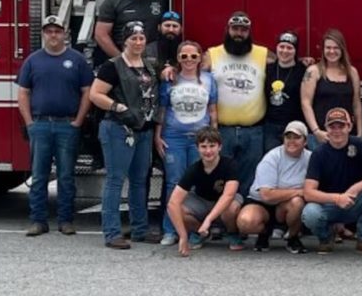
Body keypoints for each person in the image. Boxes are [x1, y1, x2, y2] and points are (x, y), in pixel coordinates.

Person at [17, 15, 94, 237]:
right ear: (43, 34)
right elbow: (23, 93)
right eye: (49, 31)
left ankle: (65, 220)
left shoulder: (77, 60)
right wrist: (29, 122)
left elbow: (87, 92)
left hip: (67, 126)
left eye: (57, 31)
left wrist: (78, 120)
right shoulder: (33, 60)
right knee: (39, 176)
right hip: (40, 125)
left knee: (66, 176)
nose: (53, 35)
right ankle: (38, 221)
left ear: (65, 34)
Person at [88, 21, 159, 249]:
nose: (138, 43)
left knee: (140, 181)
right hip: (118, 128)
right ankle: (112, 232)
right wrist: (119, 108)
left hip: (144, 130)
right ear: (124, 41)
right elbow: (95, 94)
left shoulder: (149, 65)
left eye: (141, 38)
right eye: (133, 39)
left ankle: (139, 229)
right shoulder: (113, 66)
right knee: (115, 180)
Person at [301, 108, 362, 258]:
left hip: (355, 201)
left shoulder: (360, 144)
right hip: (329, 204)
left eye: (341, 126)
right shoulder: (319, 153)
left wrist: (356, 188)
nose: (337, 131)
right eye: (332, 126)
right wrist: (337, 198)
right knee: (310, 213)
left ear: (349, 127)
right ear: (326, 128)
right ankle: (326, 237)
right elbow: (308, 192)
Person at [155, 40, 218, 246]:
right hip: (174, 137)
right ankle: (170, 230)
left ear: (200, 58)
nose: (189, 60)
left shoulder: (209, 79)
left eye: (193, 56)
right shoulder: (170, 79)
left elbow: (212, 109)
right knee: (173, 183)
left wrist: (214, 136)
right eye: (184, 56)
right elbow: (163, 110)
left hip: (200, 139)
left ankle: (192, 231)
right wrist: (158, 135)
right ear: (178, 59)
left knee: (195, 186)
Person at [206, 11, 268, 197]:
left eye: (243, 30)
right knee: (219, 178)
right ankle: (221, 219)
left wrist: (305, 62)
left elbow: (287, 63)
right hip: (222, 130)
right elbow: (189, 70)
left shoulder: (264, 54)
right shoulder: (211, 54)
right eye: (235, 29)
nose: (239, 34)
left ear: (249, 32)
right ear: (227, 30)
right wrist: (169, 69)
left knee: (250, 179)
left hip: (254, 131)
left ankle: (244, 221)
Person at [167, 127, 245, 256]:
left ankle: (232, 233)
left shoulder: (230, 165)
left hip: (225, 201)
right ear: (197, 148)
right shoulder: (193, 169)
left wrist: (208, 220)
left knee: (231, 207)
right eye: (203, 146)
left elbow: (228, 195)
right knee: (178, 209)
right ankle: (199, 233)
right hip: (201, 200)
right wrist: (183, 236)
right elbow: (173, 203)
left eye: (212, 146)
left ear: (220, 147)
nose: (208, 151)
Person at [237, 121, 311, 254]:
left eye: (297, 137)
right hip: (262, 203)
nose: (292, 141)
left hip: (287, 205)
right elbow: (266, 195)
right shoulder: (272, 157)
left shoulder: (311, 159)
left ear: (305, 141)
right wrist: (298, 191)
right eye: (288, 137)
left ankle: (292, 237)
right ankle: (264, 233)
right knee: (245, 222)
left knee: (297, 203)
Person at [301, 29, 362, 149]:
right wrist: (316, 131)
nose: (332, 51)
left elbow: (356, 104)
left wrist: (360, 133)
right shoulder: (313, 71)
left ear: (342, 50)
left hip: (347, 136)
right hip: (321, 137)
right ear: (323, 50)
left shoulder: (352, 72)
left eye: (336, 48)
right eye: (328, 48)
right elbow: (305, 103)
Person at [262, 31, 307, 153]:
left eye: (289, 48)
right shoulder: (268, 69)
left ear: (295, 51)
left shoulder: (303, 71)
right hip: (270, 127)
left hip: (294, 126)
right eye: (281, 47)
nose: (285, 51)